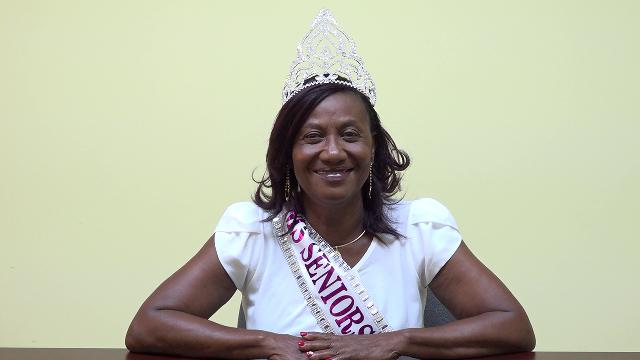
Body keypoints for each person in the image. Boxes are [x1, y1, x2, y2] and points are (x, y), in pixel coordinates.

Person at [125, 9, 535, 360]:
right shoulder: (251, 230)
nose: (334, 152)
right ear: (287, 153)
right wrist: (266, 343)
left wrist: (395, 342)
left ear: (374, 148)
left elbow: (512, 326)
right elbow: (149, 325)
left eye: (351, 134)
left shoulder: (420, 228)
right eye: (312, 136)